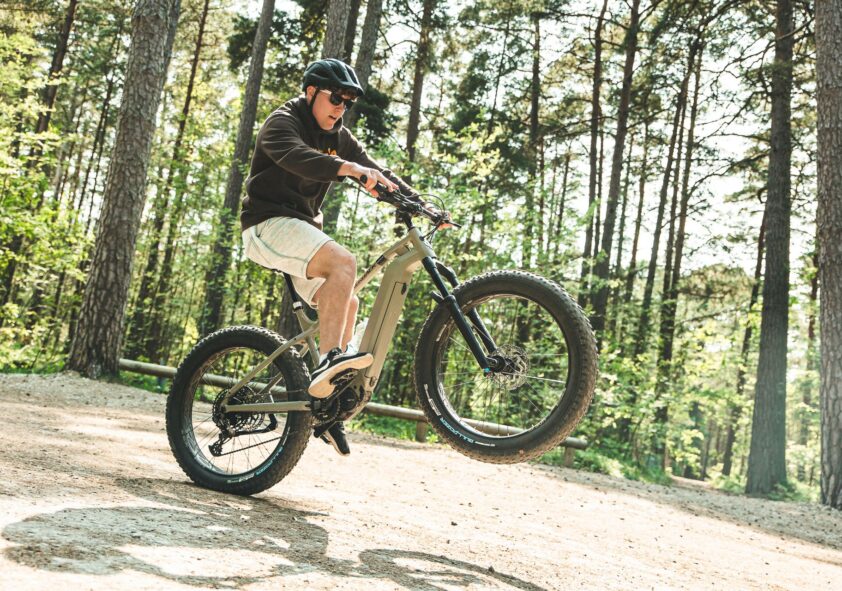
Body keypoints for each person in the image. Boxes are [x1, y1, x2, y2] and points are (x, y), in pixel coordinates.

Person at [240, 58, 416, 456]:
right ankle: (329, 362)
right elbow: (297, 157)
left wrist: (419, 204)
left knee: (347, 298)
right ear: (310, 92)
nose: (341, 108)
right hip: (267, 225)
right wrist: (347, 168)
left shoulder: (339, 137)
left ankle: (326, 405)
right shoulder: (282, 122)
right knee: (343, 262)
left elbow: (378, 172)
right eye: (335, 98)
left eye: (347, 102)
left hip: (300, 235)